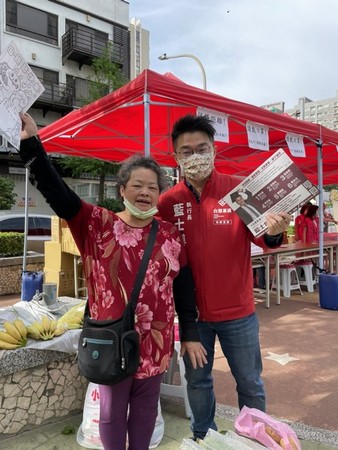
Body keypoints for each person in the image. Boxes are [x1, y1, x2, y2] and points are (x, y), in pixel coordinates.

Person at [19, 112, 206, 450]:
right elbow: (57, 192)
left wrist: (190, 333)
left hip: (155, 341)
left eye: (153, 187)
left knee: (147, 411)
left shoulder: (169, 235)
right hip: (111, 339)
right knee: (111, 412)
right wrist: (33, 146)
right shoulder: (95, 223)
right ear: (122, 189)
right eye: (137, 185)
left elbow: (183, 287)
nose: (145, 192)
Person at [157, 114, 291, 441]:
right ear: (175, 157)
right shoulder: (168, 202)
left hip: (239, 314)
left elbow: (266, 238)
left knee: (250, 383)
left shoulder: (239, 191)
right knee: (198, 382)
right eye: (186, 151)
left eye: (202, 148)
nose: (195, 156)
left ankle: (254, 440)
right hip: (194, 319)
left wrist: (276, 231)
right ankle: (205, 438)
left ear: (214, 150)